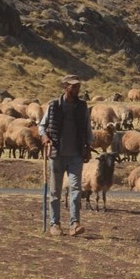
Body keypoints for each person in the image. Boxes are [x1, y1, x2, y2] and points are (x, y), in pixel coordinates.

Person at [38, 74, 93, 236]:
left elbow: (88, 128)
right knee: (55, 191)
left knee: (76, 189)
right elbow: (42, 126)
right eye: (73, 86)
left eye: (78, 86)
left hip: (76, 154)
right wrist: (45, 137)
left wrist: (88, 147)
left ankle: (74, 223)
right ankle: (55, 224)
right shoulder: (54, 105)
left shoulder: (82, 107)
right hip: (57, 154)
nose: (77, 89)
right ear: (65, 87)